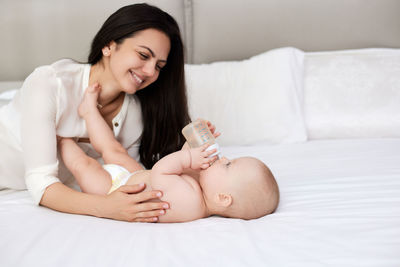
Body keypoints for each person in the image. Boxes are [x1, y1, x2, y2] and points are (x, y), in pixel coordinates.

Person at [0, 3, 191, 222]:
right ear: (109, 46)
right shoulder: (50, 83)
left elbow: (127, 178)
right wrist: (106, 208)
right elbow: (41, 183)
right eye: (143, 55)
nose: (150, 72)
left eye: (159, 66)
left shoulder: (135, 115)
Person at [59, 84, 280, 222]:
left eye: (228, 165)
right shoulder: (201, 190)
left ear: (223, 198)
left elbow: (161, 173)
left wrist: (189, 158)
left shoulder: (191, 203)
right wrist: (194, 143)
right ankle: (88, 112)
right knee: (113, 150)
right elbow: (183, 167)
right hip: (135, 178)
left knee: (84, 166)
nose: (223, 158)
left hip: (114, 191)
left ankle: (61, 139)